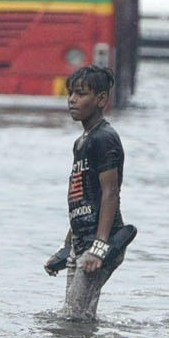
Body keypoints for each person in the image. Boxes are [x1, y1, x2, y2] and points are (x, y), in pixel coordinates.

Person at [43, 65, 134, 322]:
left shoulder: (104, 138)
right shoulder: (82, 141)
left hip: (99, 242)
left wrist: (99, 247)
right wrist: (66, 246)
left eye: (81, 94)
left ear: (101, 99)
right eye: (70, 93)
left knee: (72, 318)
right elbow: (81, 198)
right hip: (82, 242)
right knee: (78, 318)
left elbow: (110, 193)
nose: (72, 100)